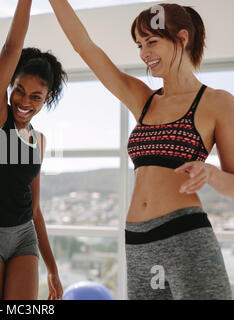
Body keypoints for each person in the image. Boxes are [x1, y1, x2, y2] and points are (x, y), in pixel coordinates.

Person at [48, 1, 233, 299]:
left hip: (185, 236)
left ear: (182, 39)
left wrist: (210, 172)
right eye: (139, 45)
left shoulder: (217, 102)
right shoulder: (144, 99)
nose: (144, 53)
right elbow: (85, 47)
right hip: (137, 242)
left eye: (152, 41)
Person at [0, 0, 67, 300]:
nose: (25, 101)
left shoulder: (39, 140)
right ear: (10, 85)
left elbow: (33, 207)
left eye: (36, 96)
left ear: (46, 99)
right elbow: (10, 49)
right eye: (19, 89)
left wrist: (53, 267)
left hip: (23, 236)